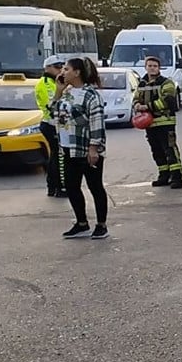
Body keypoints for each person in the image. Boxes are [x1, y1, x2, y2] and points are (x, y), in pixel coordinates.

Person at [51, 57, 109, 239]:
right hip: (68, 147)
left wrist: (93, 148)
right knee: (71, 186)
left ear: (77, 72)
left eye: (66, 69)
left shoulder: (91, 95)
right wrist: (58, 92)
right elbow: (53, 113)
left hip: (85, 148)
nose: (62, 72)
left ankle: (101, 225)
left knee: (95, 187)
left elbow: (96, 123)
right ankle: (81, 223)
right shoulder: (66, 92)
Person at [133, 56, 182, 188]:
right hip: (150, 124)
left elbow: (168, 101)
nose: (152, 68)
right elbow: (136, 98)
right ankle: (164, 175)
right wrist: (137, 105)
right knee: (157, 151)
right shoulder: (142, 84)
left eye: (155, 66)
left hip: (165, 123)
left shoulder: (166, 83)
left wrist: (147, 107)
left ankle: (177, 177)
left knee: (170, 150)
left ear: (159, 68)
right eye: (149, 66)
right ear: (145, 67)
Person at [35, 56, 66, 197]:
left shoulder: (54, 82)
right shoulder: (46, 83)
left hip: (54, 123)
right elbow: (52, 105)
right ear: (47, 68)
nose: (60, 70)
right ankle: (58, 187)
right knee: (58, 157)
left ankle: (53, 187)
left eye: (62, 67)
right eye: (57, 67)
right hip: (51, 124)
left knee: (56, 156)